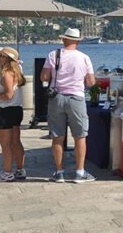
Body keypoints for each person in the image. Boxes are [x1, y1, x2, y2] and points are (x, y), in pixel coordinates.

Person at [40, 28, 96, 183]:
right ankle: (79, 172)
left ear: (64, 39)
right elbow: (91, 82)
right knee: (80, 136)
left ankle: (59, 173)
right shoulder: (84, 58)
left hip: (56, 98)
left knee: (57, 136)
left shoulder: (53, 54)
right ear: (78, 41)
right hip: (76, 98)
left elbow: (44, 77)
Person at [0, 47, 26, 182]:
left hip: (4, 111)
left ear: (8, 59)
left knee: (6, 145)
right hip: (16, 109)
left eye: (2, 56)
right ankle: (20, 169)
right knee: (16, 142)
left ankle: (7, 172)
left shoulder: (6, 74)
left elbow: (8, 95)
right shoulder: (17, 72)